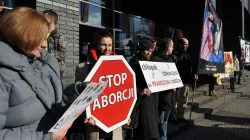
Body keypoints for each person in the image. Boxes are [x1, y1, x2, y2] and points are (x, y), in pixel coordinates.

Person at [0, 7, 73, 140]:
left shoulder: (42, 63)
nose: (45, 44)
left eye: (46, 37)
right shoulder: (3, 75)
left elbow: (53, 104)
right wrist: (46, 137)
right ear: (25, 36)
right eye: (41, 37)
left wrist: (77, 93)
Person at [69, 30, 116, 140]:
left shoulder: (119, 66)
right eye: (103, 44)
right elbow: (79, 97)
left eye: (110, 45)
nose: (107, 49)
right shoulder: (82, 68)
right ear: (96, 45)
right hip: (94, 123)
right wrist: (84, 116)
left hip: (114, 121)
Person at [129, 38, 160, 140]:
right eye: (147, 50)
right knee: (144, 132)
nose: (149, 52)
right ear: (141, 50)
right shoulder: (134, 63)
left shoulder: (151, 62)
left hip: (152, 101)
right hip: (141, 103)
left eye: (151, 50)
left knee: (152, 132)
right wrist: (139, 91)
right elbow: (129, 84)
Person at [151, 38, 177, 139]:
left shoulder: (170, 59)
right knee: (160, 120)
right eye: (172, 46)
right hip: (161, 97)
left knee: (165, 120)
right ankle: (162, 137)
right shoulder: (155, 59)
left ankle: (163, 136)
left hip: (169, 96)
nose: (173, 48)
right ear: (168, 47)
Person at [175, 38, 198, 120]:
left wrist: (194, 74)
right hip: (176, 81)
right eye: (185, 44)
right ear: (180, 44)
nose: (186, 46)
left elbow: (191, 66)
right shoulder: (175, 54)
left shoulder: (188, 55)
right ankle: (174, 117)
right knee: (176, 100)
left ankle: (180, 116)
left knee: (184, 99)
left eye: (187, 44)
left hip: (186, 81)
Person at [43, 10, 67, 80]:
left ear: (51, 20)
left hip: (57, 69)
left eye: (43, 18)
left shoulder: (60, 37)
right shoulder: (42, 35)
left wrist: (46, 57)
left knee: (57, 88)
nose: (41, 19)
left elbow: (62, 54)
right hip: (44, 66)